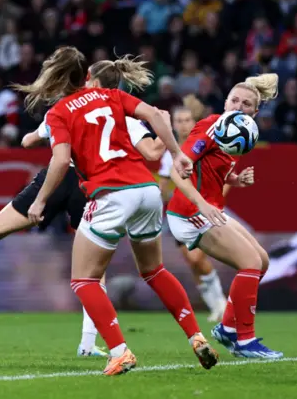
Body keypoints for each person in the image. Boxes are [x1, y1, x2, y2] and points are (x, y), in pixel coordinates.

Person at [0, 62, 167, 357]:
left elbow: (28, 139)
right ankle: (88, 344)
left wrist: (44, 142)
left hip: (55, 179)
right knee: (95, 272)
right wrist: (165, 130)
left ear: (88, 79)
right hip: (92, 185)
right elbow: (152, 152)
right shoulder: (122, 112)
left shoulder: (65, 108)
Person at [15, 47, 218, 375]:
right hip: (147, 190)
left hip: (112, 194)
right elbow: (157, 116)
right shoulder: (110, 96)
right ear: (85, 77)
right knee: (154, 271)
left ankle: (120, 351)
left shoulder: (59, 112)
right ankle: (196, 336)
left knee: (84, 280)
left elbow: (60, 159)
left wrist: (39, 201)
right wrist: (178, 152)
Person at [166, 73, 283, 359]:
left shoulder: (239, 134)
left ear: (255, 112)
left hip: (208, 208)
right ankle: (244, 340)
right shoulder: (210, 127)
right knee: (251, 262)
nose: (238, 106)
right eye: (234, 100)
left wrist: (235, 178)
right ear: (225, 101)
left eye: (246, 104)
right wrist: (201, 204)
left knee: (262, 261)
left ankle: (229, 328)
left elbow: (213, 169)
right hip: (190, 212)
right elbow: (177, 170)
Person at [159, 96, 227, 322]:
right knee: (192, 261)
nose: (183, 124)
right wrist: (165, 200)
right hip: (179, 213)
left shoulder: (204, 145)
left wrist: (213, 204)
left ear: (193, 121)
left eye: (187, 119)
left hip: (201, 211)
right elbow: (164, 185)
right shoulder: (169, 152)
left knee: (197, 258)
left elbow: (222, 177)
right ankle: (215, 306)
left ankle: (221, 304)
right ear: (174, 124)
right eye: (178, 120)